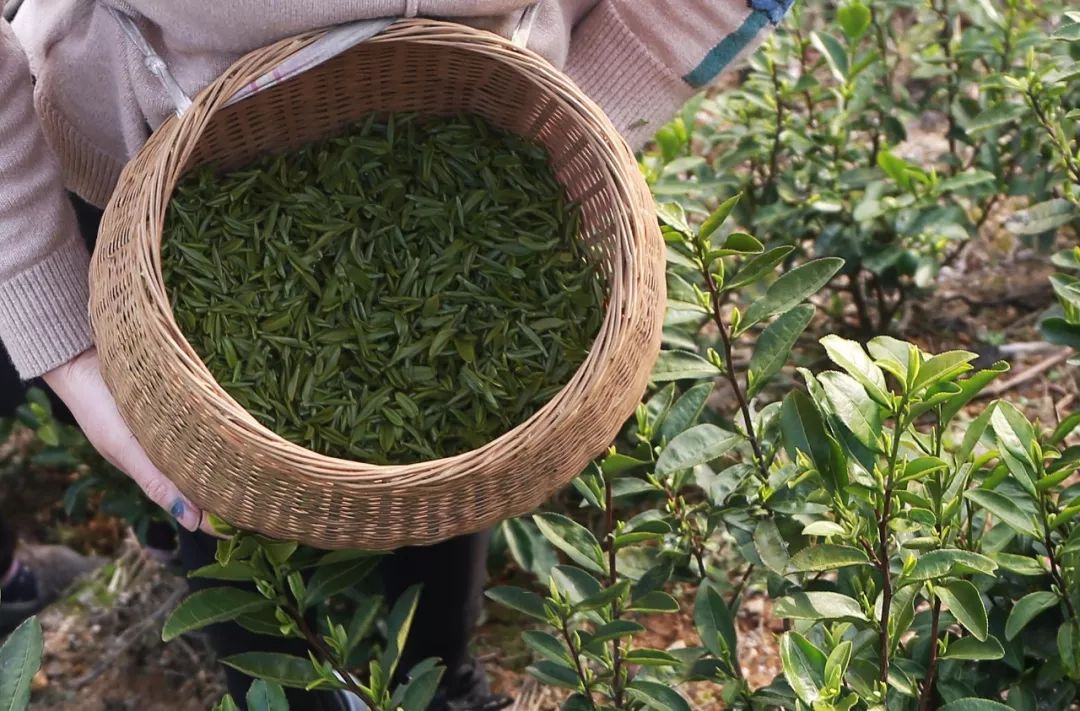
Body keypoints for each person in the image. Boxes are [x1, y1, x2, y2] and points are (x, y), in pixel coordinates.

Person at [0, 1, 790, 709]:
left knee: (444, 462)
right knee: (218, 495)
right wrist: (59, 330)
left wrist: (588, 98)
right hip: (146, 159)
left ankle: (440, 678)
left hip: (478, 142)